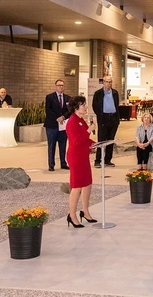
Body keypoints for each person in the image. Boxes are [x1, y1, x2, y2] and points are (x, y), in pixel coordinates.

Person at [65, 96, 97, 228]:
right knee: (77, 186)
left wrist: (95, 144)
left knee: (87, 183)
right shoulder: (72, 121)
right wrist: (89, 130)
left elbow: (84, 139)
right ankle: (72, 215)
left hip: (83, 156)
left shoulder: (81, 121)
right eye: (83, 105)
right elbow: (77, 141)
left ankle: (85, 211)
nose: (86, 107)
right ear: (76, 107)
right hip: (76, 157)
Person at [43, 79, 71, 171]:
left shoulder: (68, 98)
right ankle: (51, 164)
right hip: (52, 125)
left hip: (63, 125)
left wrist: (63, 117)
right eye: (59, 85)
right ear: (56, 86)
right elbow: (48, 110)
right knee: (52, 145)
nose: (60, 87)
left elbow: (70, 111)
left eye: (62, 85)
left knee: (63, 145)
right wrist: (57, 118)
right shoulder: (50, 97)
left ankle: (63, 163)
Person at [92, 76, 120, 168]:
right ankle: (97, 160)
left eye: (110, 82)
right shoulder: (98, 93)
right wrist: (100, 115)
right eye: (107, 82)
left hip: (113, 118)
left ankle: (108, 160)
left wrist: (117, 119)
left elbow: (116, 105)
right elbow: (95, 106)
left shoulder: (115, 92)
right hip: (103, 118)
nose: (109, 83)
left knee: (110, 140)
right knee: (101, 140)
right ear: (103, 82)